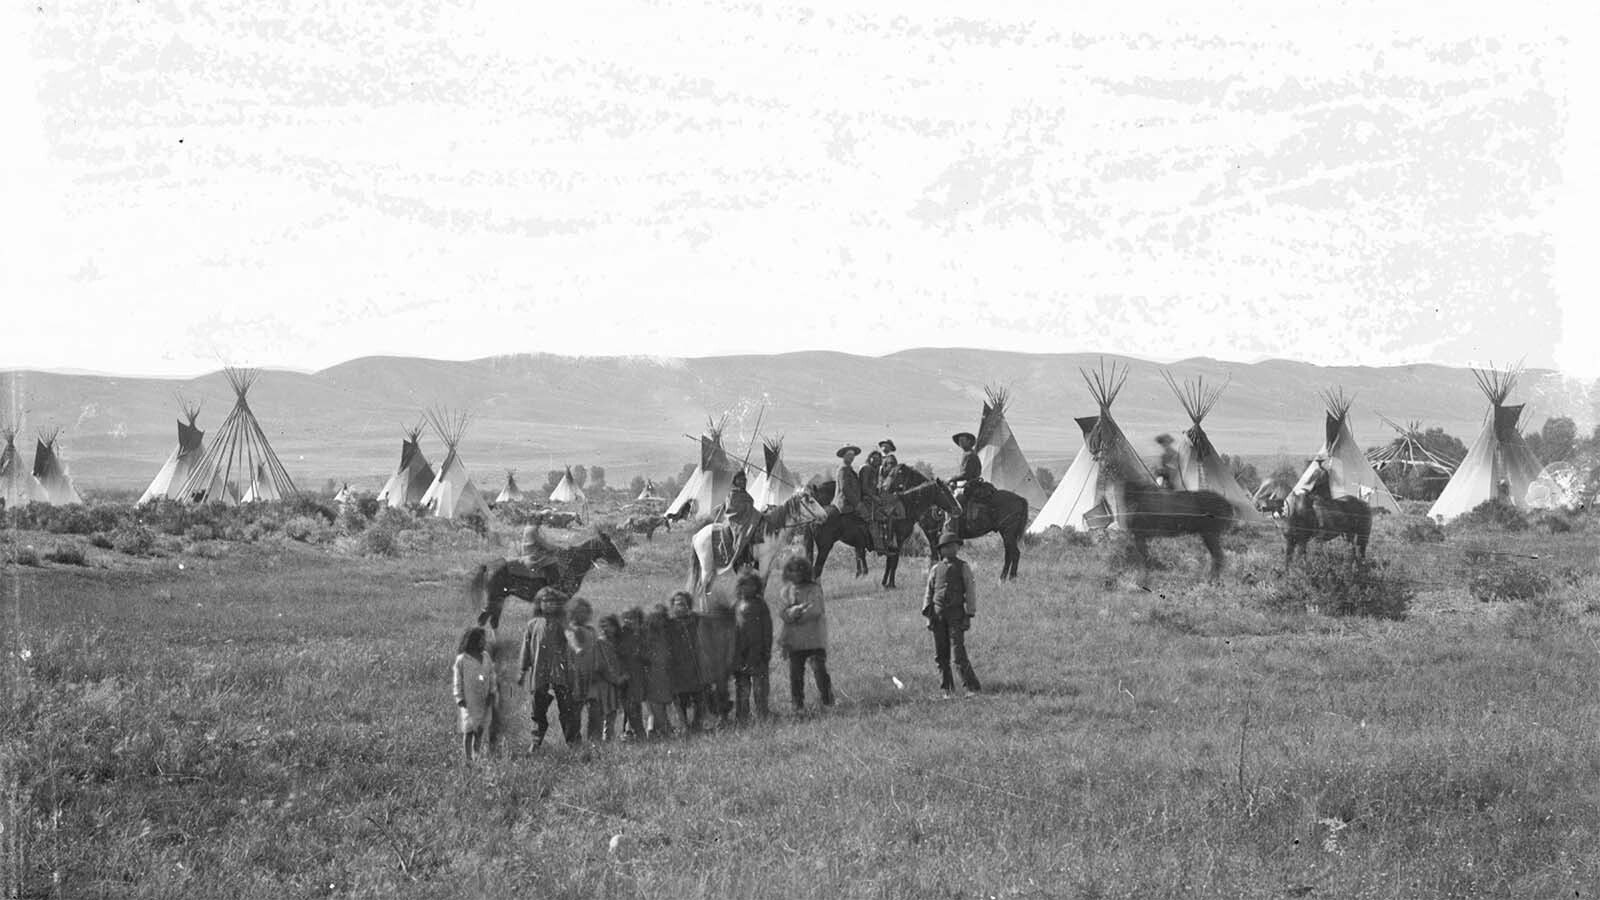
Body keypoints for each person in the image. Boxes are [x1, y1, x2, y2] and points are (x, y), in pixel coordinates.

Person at [922, 525, 982, 697]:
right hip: (938, 615)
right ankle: (946, 690)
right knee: (941, 656)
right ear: (941, 550)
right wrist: (928, 615)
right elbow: (929, 592)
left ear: (958, 547)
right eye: (947, 546)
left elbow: (970, 590)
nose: (951, 548)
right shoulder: (935, 569)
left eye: (954, 545)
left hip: (956, 615)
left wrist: (969, 613)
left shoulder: (963, 567)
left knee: (958, 654)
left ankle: (972, 687)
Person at [516, 587, 579, 749]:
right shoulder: (533, 625)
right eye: (546, 601)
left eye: (553, 602)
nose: (549, 605)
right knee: (537, 711)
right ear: (539, 603)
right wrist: (522, 671)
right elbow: (526, 649)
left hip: (561, 674)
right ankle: (535, 743)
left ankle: (574, 744)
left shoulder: (563, 623)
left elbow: (572, 640)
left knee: (567, 709)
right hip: (539, 674)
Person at [777, 556, 832, 712]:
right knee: (796, 674)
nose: (796, 574)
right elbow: (782, 612)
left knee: (819, 669)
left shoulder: (814, 589)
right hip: (795, 641)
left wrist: (798, 613)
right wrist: (790, 613)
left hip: (814, 638)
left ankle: (827, 699)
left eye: (799, 570)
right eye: (792, 570)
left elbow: (816, 610)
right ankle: (797, 703)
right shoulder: (786, 591)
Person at [731, 571, 774, 722]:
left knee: (760, 688)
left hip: (758, 652)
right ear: (739, 586)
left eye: (752, 585)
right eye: (744, 584)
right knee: (742, 688)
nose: (748, 588)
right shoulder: (735, 605)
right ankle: (742, 717)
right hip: (740, 653)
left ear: (757, 587)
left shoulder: (761, 605)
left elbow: (767, 629)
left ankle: (762, 715)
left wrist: (767, 650)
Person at [452, 626, 497, 762]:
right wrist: (459, 698)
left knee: (480, 729)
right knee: (469, 729)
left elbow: (491, 675)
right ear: (473, 641)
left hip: (484, 699)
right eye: (482, 640)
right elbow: (457, 680)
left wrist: (492, 692)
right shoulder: (462, 659)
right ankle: (467, 758)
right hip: (469, 700)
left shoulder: (486, 657)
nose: (484, 642)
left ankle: (476, 755)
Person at [697, 590, 737, 727]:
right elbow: (702, 645)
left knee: (722, 691)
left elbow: (731, 645)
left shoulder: (728, 626)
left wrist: (728, 662)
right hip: (707, 663)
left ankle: (722, 716)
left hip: (722, 663)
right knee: (706, 691)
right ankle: (709, 716)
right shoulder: (703, 624)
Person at [564, 598, 602, 740]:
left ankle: (594, 739)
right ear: (572, 613)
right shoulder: (570, 629)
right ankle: (574, 740)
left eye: (585, 612)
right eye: (578, 612)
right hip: (575, 675)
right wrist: (578, 648)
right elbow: (573, 641)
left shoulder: (591, 630)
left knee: (595, 710)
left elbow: (596, 649)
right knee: (575, 711)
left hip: (592, 674)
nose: (582, 615)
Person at [666, 591, 704, 730]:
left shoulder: (696, 620)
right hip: (677, 668)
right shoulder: (668, 624)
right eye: (677, 604)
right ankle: (684, 726)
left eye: (683, 604)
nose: (680, 607)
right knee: (680, 699)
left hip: (695, 666)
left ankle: (697, 724)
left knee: (699, 697)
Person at [591, 614, 628, 741]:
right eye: (603, 626)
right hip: (603, 683)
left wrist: (622, 677)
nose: (605, 629)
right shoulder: (599, 643)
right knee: (602, 712)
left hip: (616, 684)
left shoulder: (618, 643)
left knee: (612, 713)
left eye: (609, 626)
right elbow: (599, 666)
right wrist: (615, 679)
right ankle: (598, 742)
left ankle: (608, 740)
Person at [641, 605, 676, 737]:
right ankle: (664, 731)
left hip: (663, 675)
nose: (659, 621)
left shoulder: (666, 634)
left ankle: (655, 732)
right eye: (656, 618)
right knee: (655, 707)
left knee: (659, 706)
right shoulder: (647, 634)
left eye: (662, 618)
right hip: (652, 676)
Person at [615, 606, 648, 739]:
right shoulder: (622, 634)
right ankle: (636, 733)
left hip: (638, 674)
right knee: (629, 705)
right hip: (626, 674)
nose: (629, 621)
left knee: (635, 704)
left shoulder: (642, 634)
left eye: (632, 618)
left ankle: (629, 732)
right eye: (626, 618)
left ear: (639, 619)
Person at [949, 431, 986, 522]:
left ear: (969, 442)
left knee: (956, 499)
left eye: (963, 440)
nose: (960, 442)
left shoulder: (969, 455)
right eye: (959, 440)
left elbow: (966, 474)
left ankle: (954, 524)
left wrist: (951, 479)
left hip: (971, 485)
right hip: (971, 483)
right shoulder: (968, 454)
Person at [860, 449, 883, 552]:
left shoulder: (874, 470)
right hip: (866, 498)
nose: (876, 460)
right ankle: (877, 544)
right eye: (874, 457)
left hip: (871, 497)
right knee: (873, 519)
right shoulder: (867, 468)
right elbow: (864, 487)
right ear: (869, 458)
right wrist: (875, 497)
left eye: (878, 458)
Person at [831, 445, 863, 521]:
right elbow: (845, 488)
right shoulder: (843, 469)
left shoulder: (849, 469)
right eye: (849, 455)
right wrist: (857, 503)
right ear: (844, 456)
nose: (851, 457)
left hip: (850, 505)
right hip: (845, 506)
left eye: (853, 455)